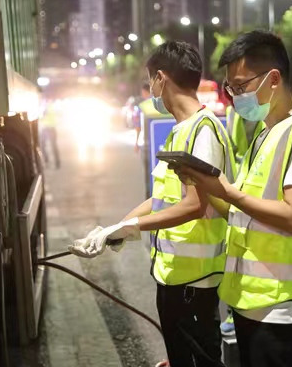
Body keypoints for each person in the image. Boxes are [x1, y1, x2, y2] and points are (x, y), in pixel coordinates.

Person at [69, 41, 236, 367]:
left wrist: (133, 226)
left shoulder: (203, 131)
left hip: (194, 281)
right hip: (174, 276)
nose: (150, 91)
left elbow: (194, 205)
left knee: (201, 359)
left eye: (149, 82)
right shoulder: (180, 131)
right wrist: (117, 227)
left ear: (161, 78)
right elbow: (161, 198)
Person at [175, 30, 292, 367]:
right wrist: (204, 186)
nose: (234, 97)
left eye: (240, 86)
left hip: (281, 307)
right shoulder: (265, 135)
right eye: (230, 89)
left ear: (273, 79)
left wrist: (227, 190)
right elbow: (241, 211)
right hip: (252, 301)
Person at [220, 87, 265, 337]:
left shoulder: (266, 115)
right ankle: (234, 310)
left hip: (255, 189)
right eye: (230, 88)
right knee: (235, 251)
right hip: (238, 185)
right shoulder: (232, 111)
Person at [40, 99, 61, 169]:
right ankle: (56, 162)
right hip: (48, 128)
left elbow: (43, 117)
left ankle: (48, 161)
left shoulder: (47, 108)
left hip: (49, 128)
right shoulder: (52, 107)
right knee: (51, 146)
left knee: (46, 146)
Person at [133, 83, 151, 153]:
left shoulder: (142, 106)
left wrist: (136, 143)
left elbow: (138, 126)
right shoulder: (161, 103)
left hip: (148, 142)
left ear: (144, 91)